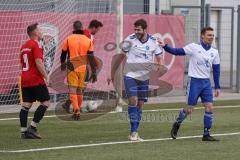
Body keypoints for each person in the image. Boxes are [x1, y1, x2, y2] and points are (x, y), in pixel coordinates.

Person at [158, 26, 220, 141]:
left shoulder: (214, 51)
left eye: (212, 35)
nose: (211, 37)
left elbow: (216, 69)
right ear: (203, 36)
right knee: (189, 109)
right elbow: (177, 52)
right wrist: (165, 46)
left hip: (206, 83)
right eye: (209, 35)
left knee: (209, 107)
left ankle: (206, 134)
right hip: (194, 82)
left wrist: (217, 87)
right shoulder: (194, 47)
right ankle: (177, 123)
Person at [107, 19, 163, 141]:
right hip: (130, 75)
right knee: (133, 100)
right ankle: (133, 132)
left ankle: (135, 130)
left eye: (139, 29)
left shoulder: (154, 41)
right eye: (135, 29)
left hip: (144, 77)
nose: (136, 32)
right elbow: (120, 56)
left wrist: (160, 65)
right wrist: (111, 72)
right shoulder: (130, 40)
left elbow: (159, 57)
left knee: (140, 105)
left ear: (144, 29)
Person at [62, 20, 103, 113]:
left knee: (81, 87)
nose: (98, 31)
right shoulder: (86, 35)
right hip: (80, 65)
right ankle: (72, 105)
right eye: (98, 29)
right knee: (79, 87)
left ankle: (69, 104)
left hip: (83, 64)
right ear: (94, 28)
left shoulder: (90, 36)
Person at [19, 23, 50, 139]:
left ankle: (23, 132)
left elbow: (23, 63)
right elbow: (38, 62)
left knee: (26, 104)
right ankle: (32, 127)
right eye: (40, 29)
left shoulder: (23, 46)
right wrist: (46, 77)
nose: (41, 31)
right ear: (35, 33)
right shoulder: (36, 45)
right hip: (35, 79)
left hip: (24, 78)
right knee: (46, 102)